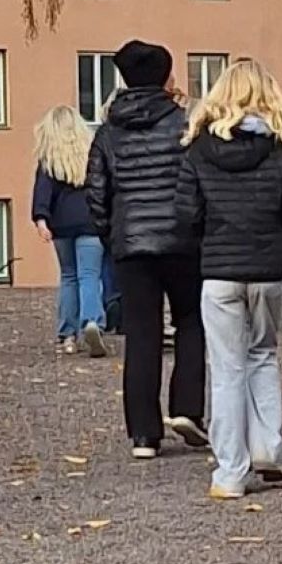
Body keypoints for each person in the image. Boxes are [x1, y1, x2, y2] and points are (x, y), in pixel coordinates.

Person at [176, 59, 282, 498]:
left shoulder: (199, 147)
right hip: (269, 267)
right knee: (263, 355)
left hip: (219, 269)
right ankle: (268, 447)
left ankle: (231, 472)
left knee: (227, 370)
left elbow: (186, 211)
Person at [87, 39, 207, 460]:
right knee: (191, 321)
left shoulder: (108, 133)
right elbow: (199, 183)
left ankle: (143, 433)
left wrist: (113, 237)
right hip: (182, 240)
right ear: (166, 77)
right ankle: (187, 408)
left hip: (132, 243)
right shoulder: (185, 125)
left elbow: (96, 193)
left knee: (142, 333)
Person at [33, 105, 109, 357]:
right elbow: (104, 188)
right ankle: (92, 322)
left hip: (62, 224)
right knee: (90, 275)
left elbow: (42, 193)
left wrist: (41, 220)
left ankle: (67, 335)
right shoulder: (92, 155)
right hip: (91, 222)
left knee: (68, 276)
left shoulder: (49, 160)